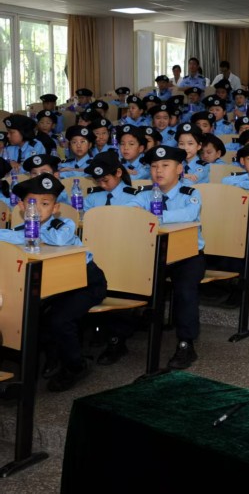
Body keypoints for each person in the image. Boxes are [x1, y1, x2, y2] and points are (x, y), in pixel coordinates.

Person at [0, 174, 107, 391]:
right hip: (53, 285)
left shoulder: (64, 225)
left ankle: (76, 366)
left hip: (86, 283)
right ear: (21, 206)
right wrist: (22, 235)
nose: (38, 209)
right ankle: (50, 357)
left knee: (60, 320)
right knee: (32, 315)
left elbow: (59, 240)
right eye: (32, 203)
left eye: (45, 204)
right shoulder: (20, 231)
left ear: (56, 207)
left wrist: (29, 234)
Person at [103, 145, 206, 368]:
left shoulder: (191, 193)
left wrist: (155, 217)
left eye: (165, 165)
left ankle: (186, 344)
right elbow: (130, 213)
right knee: (123, 280)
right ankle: (117, 337)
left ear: (179, 169)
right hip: (151, 253)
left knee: (185, 289)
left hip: (187, 256)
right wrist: (152, 216)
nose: (158, 171)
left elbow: (189, 214)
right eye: (154, 166)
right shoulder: (144, 194)